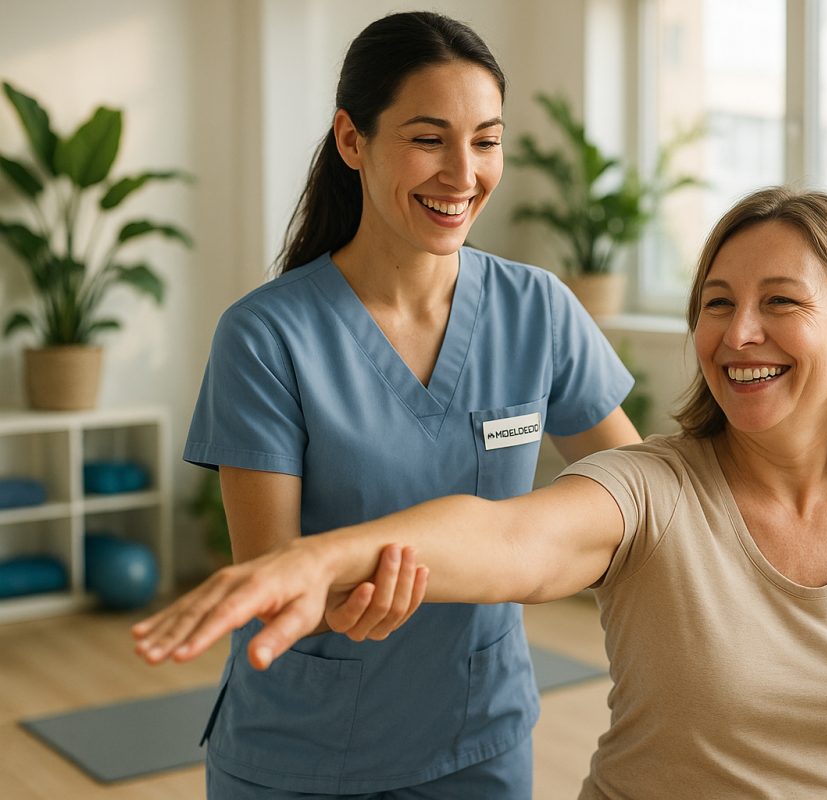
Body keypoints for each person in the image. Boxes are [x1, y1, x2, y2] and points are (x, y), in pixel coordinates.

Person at [138, 188, 827, 799]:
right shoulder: (651, 489)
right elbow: (507, 536)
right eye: (715, 302)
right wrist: (312, 560)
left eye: (779, 302)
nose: (739, 334)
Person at [177, 10, 640, 798]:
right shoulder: (265, 336)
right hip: (300, 754)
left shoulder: (539, 310)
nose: (463, 174)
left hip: (478, 742)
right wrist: (346, 594)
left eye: (486, 140)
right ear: (352, 141)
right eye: (429, 139)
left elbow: (638, 501)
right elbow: (271, 574)